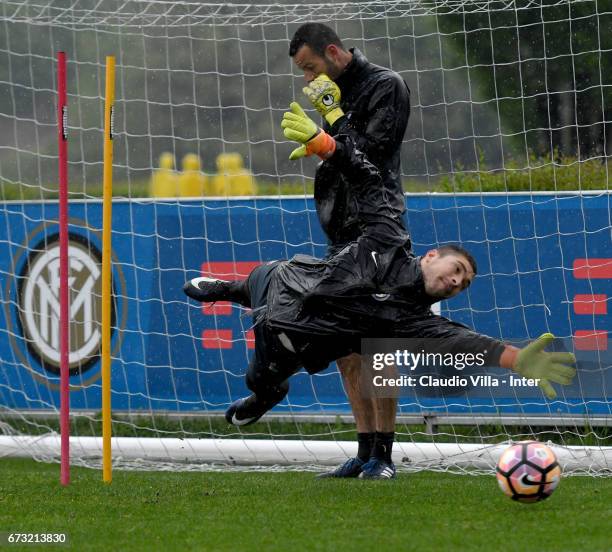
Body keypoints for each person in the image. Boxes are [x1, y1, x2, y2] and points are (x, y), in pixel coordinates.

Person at [184, 113, 577, 478]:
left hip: (292, 341)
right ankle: (227, 289)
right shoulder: (388, 235)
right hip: (287, 282)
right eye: (457, 270)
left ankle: (276, 401)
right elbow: (369, 181)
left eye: (464, 284)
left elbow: (469, 342)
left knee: (262, 379)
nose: (457, 282)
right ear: (432, 255)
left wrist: (518, 359)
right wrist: (327, 145)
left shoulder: (415, 321)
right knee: (260, 277)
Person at [287, 22, 412, 478]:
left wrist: (332, 127)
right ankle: (362, 451)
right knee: (346, 347)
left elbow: (373, 157)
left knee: (378, 345)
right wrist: (322, 142)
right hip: (340, 231)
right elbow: (341, 153)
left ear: (334, 52)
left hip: (379, 230)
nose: (307, 79)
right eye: (302, 71)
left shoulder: (386, 85)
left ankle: (385, 454)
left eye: (310, 67)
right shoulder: (331, 93)